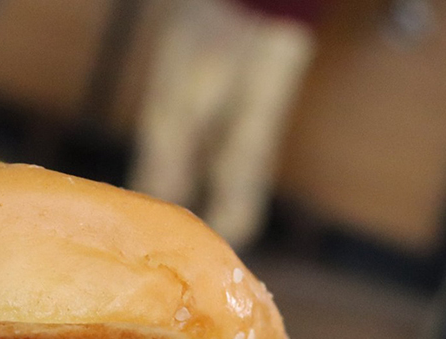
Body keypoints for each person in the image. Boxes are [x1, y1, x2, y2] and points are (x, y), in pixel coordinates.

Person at [129, 0, 325, 251]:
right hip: (217, 10)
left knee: (249, 141)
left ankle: (223, 253)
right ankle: (147, 230)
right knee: (177, 122)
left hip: (291, 17)